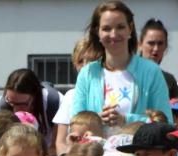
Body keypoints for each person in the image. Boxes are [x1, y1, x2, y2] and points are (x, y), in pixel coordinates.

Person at [71, 2, 173, 133]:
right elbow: (74, 126)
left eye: (120, 27)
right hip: (96, 152)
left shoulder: (151, 72)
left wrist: (126, 120)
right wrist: (96, 121)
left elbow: (165, 125)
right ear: (97, 32)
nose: (113, 34)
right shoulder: (87, 74)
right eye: (106, 28)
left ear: (130, 29)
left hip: (138, 152)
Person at [0, 68, 61, 149]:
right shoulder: (0, 107)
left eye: (22, 104)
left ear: (35, 96)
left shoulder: (54, 102)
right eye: (11, 103)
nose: (15, 110)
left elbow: (61, 143)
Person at [139, 18, 178, 100]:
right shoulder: (128, 74)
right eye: (151, 43)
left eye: (160, 43)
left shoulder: (169, 81)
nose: (156, 49)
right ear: (140, 44)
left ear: (165, 46)